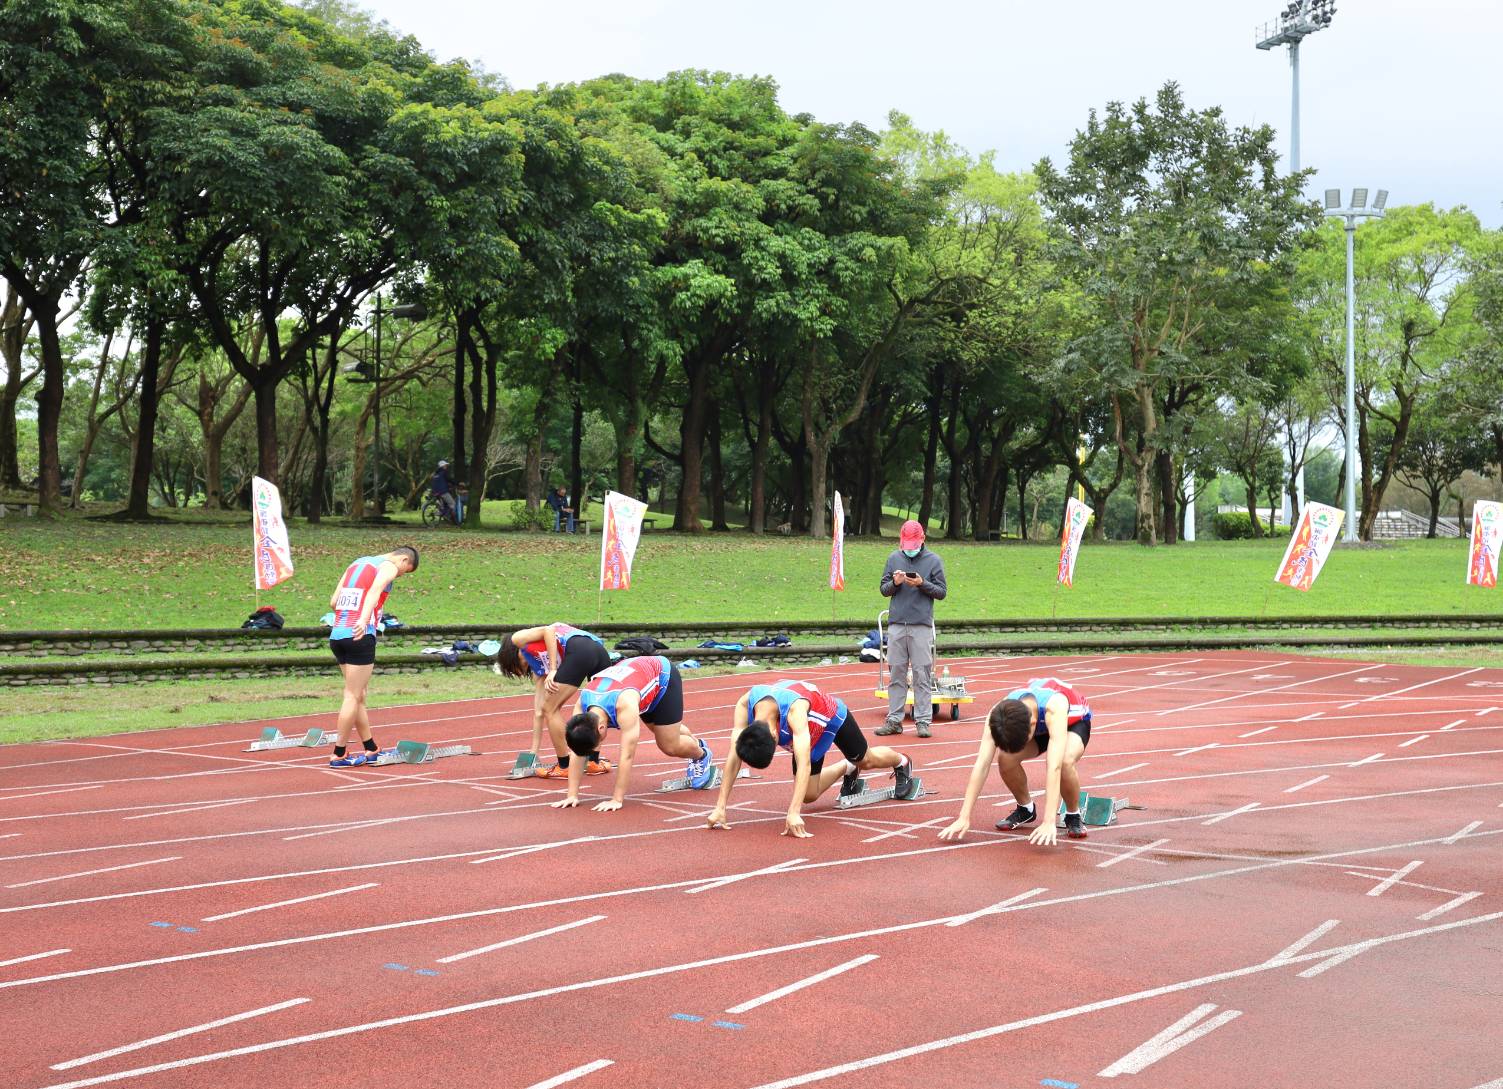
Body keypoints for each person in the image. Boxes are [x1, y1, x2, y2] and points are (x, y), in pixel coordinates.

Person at [708, 679, 918, 838]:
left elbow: (804, 763)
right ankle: (848, 768)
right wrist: (720, 806)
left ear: (775, 735)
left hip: (831, 717)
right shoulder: (745, 705)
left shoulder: (795, 712)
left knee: (866, 759)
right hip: (807, 729)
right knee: (809, 794)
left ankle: (902, 761)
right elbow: (734, 755)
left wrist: (793, 812)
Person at [937, 677, 1094, 846]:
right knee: (1005, 758)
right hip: (1037, 722)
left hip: (1074, 723)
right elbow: (981, 765)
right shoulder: (998, 714)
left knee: (1063, 762)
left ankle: (1073, 814)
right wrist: (964, 816)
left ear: (1033, 726)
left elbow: (1053, 767)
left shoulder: (1055, 706)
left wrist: (1049, 821)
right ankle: (1026, 808)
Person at [552, 655, 714, 811]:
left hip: (662, 677)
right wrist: (572, 795)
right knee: (665, 729)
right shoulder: (582, 705)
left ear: (602, 728)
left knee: (668, 745)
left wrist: (617, 799)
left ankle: (702, 755)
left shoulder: (624, 706)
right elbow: (577, 750)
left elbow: (627, 755)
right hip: (636, 678)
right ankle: (688, 738)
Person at [326, 546, 419, 767]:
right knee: (351, 695)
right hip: (360, 634)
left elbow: (333, 602)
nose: (401, 575)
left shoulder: (356, 563)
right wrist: (363, 619)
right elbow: (374, 591)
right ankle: (338, 753)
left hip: (338, 635)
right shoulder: (387, 566)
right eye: (405, 570)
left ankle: (370, 748)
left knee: (358, 695)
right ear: (403, 559)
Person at [496, 623, 613, 779]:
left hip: (580, 650)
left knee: (551, 709)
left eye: (518, 667)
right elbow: (539, 712)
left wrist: (553, 669)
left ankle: (564, 765)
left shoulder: (518, 639)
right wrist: (533, 753)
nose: (523, 668)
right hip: (598, 651)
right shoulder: (539, 666)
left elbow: (548, 630)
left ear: (510, 655)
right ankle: (593, 762)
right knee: (597, 706)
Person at [876, 519, 947, 738]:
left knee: (921, 674)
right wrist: (896, 583)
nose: (909, 550)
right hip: (897, 624)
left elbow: (942, 592)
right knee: (896, 672)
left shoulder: (934, 561)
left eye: (913, 545)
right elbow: (883, 589)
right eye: (906, 546)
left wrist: (922, 584)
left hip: (921, 626)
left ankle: (923, 721)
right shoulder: (893, 558)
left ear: (922, 539)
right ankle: (894, 719)